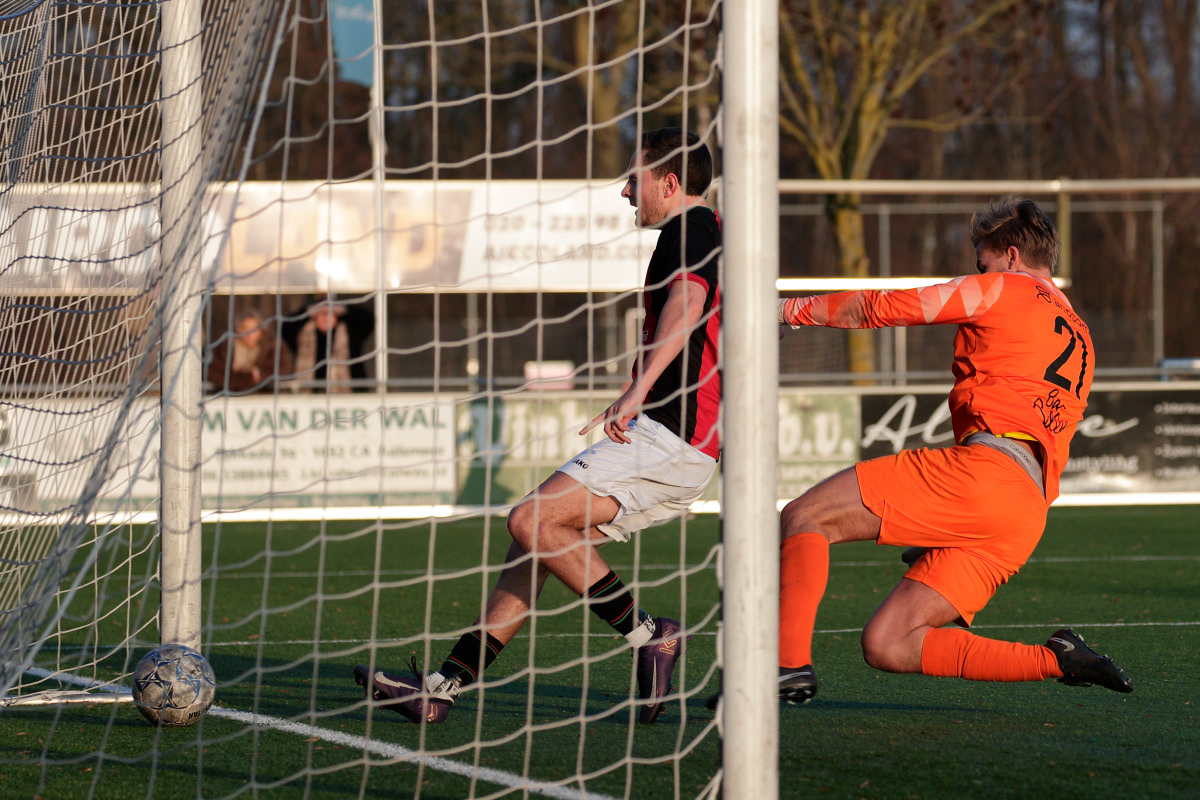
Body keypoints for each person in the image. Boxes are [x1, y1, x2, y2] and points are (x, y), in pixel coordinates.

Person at [353, 128, 722, 725]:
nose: (628, 191)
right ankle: (441, 688)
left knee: (528, 519)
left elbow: (685, 306)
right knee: (531, 545)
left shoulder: (687, 231)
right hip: (682, 441)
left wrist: (637, 388)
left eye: (636, 178)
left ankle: (649, 635)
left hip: (670, 433)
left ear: (670, 182)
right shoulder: (715, 233)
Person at [775, 196, 1132, 704]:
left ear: (1010, 256)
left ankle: (787, 668)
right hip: (1024, 513)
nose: (978, 270)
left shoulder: (1001, 289)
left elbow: (883, 307)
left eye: (981, 260)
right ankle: (1058, 659)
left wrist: (789, 312)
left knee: (805, 516)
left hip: (985, 477)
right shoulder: (1079, 329)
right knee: (889, 643)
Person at [282, 294, 375, 392]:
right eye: (322, 314)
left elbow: (368, 319)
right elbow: (286, 326)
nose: (326, 318)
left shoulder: (350, 333)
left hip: (347, 394)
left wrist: (341, 308)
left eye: (330, 313)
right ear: (315, 317)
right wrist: (310, 310)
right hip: (310, 395)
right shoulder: (302, 334)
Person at [207, 308, 294, 394]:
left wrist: (261, 374)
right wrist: (249, 378)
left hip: (265, 398)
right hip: (231, 398)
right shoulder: (224, 348)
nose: (250, 333)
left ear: (261, 330)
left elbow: (282, 372)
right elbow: (214, 374)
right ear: (238, 330)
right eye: (245, 328)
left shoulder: (274, 346)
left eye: (254, 328)